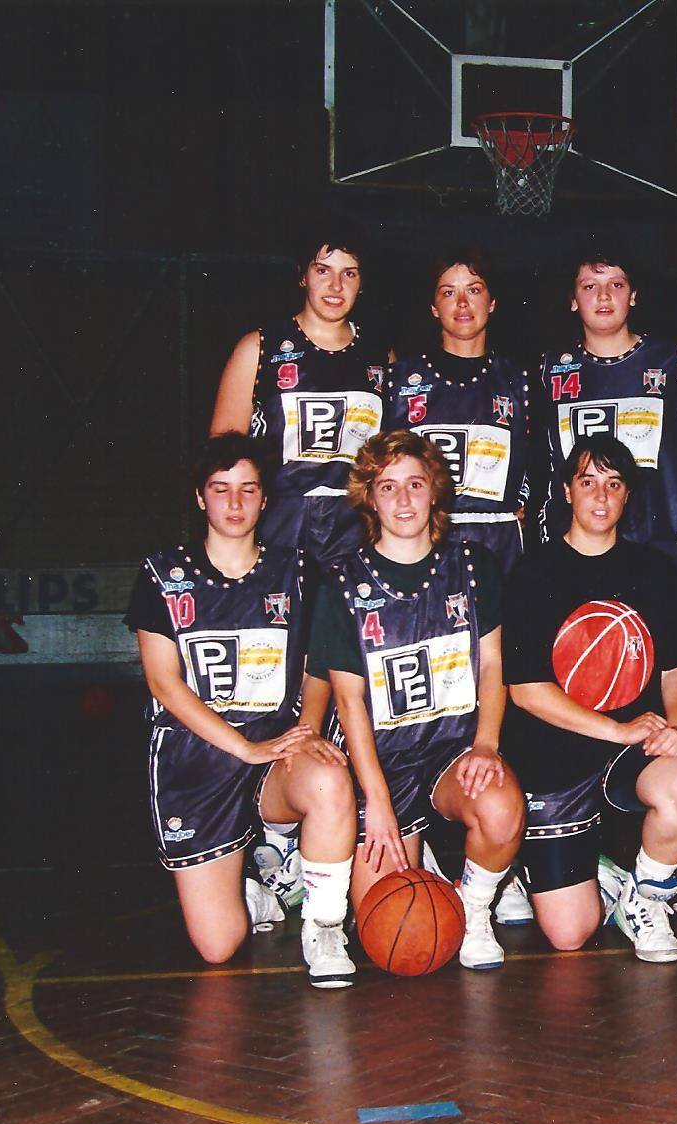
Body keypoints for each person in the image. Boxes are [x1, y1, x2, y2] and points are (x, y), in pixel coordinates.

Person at [126, 434, 358, 988]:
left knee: (328, 778)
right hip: (198, 758)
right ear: (200, 499)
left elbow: (316, 664)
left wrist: (303, 731)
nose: (234, 503)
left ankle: (323, 925)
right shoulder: (163, 574)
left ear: (265, 500)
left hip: (274, 751)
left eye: (248, 490)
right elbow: (163, 681)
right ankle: (254, 894)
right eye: (220, 489)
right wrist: (242, 747)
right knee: (218, 946)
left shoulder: (298, 571)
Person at [307, 430, 524, 969]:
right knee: (388, 929)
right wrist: (377, 801)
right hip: (381, 758)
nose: (403, 500)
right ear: (369, 499)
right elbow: (349, 701)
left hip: (449, 750)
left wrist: (488, 745)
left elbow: (494, 664)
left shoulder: (474, 567)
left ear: (434, 492)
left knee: (501, 809)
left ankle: (475, 910)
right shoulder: (340, 581)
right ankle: (368, 867)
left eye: (415, 484)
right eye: (387, 487)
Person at [501, 436, 677, 962]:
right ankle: (580, 872)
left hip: (631, 750)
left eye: (614, 484)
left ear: (627, 497)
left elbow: (676, 669)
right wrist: (616, 729)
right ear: (567, 493)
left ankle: (646, 893)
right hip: (553, 756)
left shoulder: (654, 570)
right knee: (570, 933)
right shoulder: (533, 573)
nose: (601, 497)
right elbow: (527, 692)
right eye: (588, 482)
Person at [209, 232, 389, 567]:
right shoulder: (259, 348)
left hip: (357, 530)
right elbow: (222, 455)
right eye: (323, 270)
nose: (335, 285)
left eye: (348, 273)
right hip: (279, 527)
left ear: (362, 283)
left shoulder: (381, 356)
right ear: (303, 276)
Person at [534, 251, 677, 589]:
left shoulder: (669, 360)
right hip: (579, 546)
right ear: (573, 300)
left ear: (633, 295)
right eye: (590, 285)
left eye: (616, 284)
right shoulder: (552, 368)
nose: (604, 296)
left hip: (658, 542)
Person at [381, 247, 532, 574]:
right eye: (449, 292)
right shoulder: (398, 380)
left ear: (492, 303)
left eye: (474, 290)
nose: (462, 303)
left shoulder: (521, 381)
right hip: (420, 541)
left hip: (499, 547)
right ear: (434, 307)